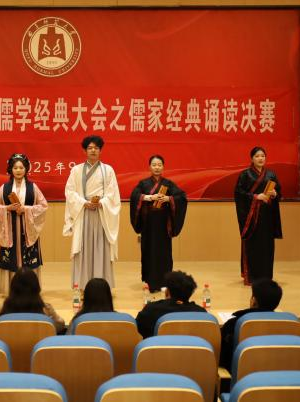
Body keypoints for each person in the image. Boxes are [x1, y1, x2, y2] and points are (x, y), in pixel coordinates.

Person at [64, 135, 120, 289]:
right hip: (83, 212)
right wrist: (84, 202)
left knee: (101, 248)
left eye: (96, 148)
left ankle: (101, 286)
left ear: (100, 150)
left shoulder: (108, 170)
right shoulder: (76, 170)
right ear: (85, 150)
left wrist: (101, 202)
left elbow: (113, 194)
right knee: (83, 250)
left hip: (101, 214)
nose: (93, 150)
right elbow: (70, 191)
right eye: (90, 148)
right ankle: (82, 285)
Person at [130, 155, 188, 292]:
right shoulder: (143, 184)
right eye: (154, 165)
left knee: (164, 253)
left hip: (163, 225)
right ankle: (150, 281)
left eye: (159, 165)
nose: (157, 167)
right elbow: (135, 196)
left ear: (163, 167)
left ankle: (165, 281)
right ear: (149, 167)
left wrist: (168, 198)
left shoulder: (168, 184)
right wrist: (150, 197)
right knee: (149, 251)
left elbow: (181, 197)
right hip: (148, 224)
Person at [0, 153, 48, 295]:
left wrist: (26, 209)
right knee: (10, 256)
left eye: (21, 167)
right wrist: (7, 208)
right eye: (15, 167)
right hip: (10, 230)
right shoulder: (4, 188)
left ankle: (30, 288)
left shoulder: (33, 187)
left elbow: (43, 206)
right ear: (10, 169)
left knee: (28, 258)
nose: (18, 170)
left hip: (27, 230)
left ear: (26, 169)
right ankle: (10, 288)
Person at [234, 146, 282, 285]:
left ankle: (266, 276)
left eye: (263, 156)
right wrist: (255, 196)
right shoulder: (245, 175)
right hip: (252, 218)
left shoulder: (271, 174)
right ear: (252, 158)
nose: (260, 158)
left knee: (267, 246)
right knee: (253, 246)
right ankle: (252, 277)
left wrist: (275, 194)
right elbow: (239, 193)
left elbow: (278, 191)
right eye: (257, 156)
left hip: (267, 216)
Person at [219, 279, 283, 369]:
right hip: (274, 373)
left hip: (240, 374)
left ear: (254, 300)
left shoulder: (233, 324)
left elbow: (222, 358)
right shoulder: (284, 324)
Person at [135, 270, 206, 338]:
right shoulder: (202, 314)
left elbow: (137, 330)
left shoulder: (151, 310)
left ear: (167, 291)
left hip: (159, 346)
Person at [0, 267, 65, 333]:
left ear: (13, 286)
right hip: (39, 342)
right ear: (36, 287)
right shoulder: (46, 309)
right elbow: (60, 325)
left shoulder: (4, 307)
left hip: (10, 342)